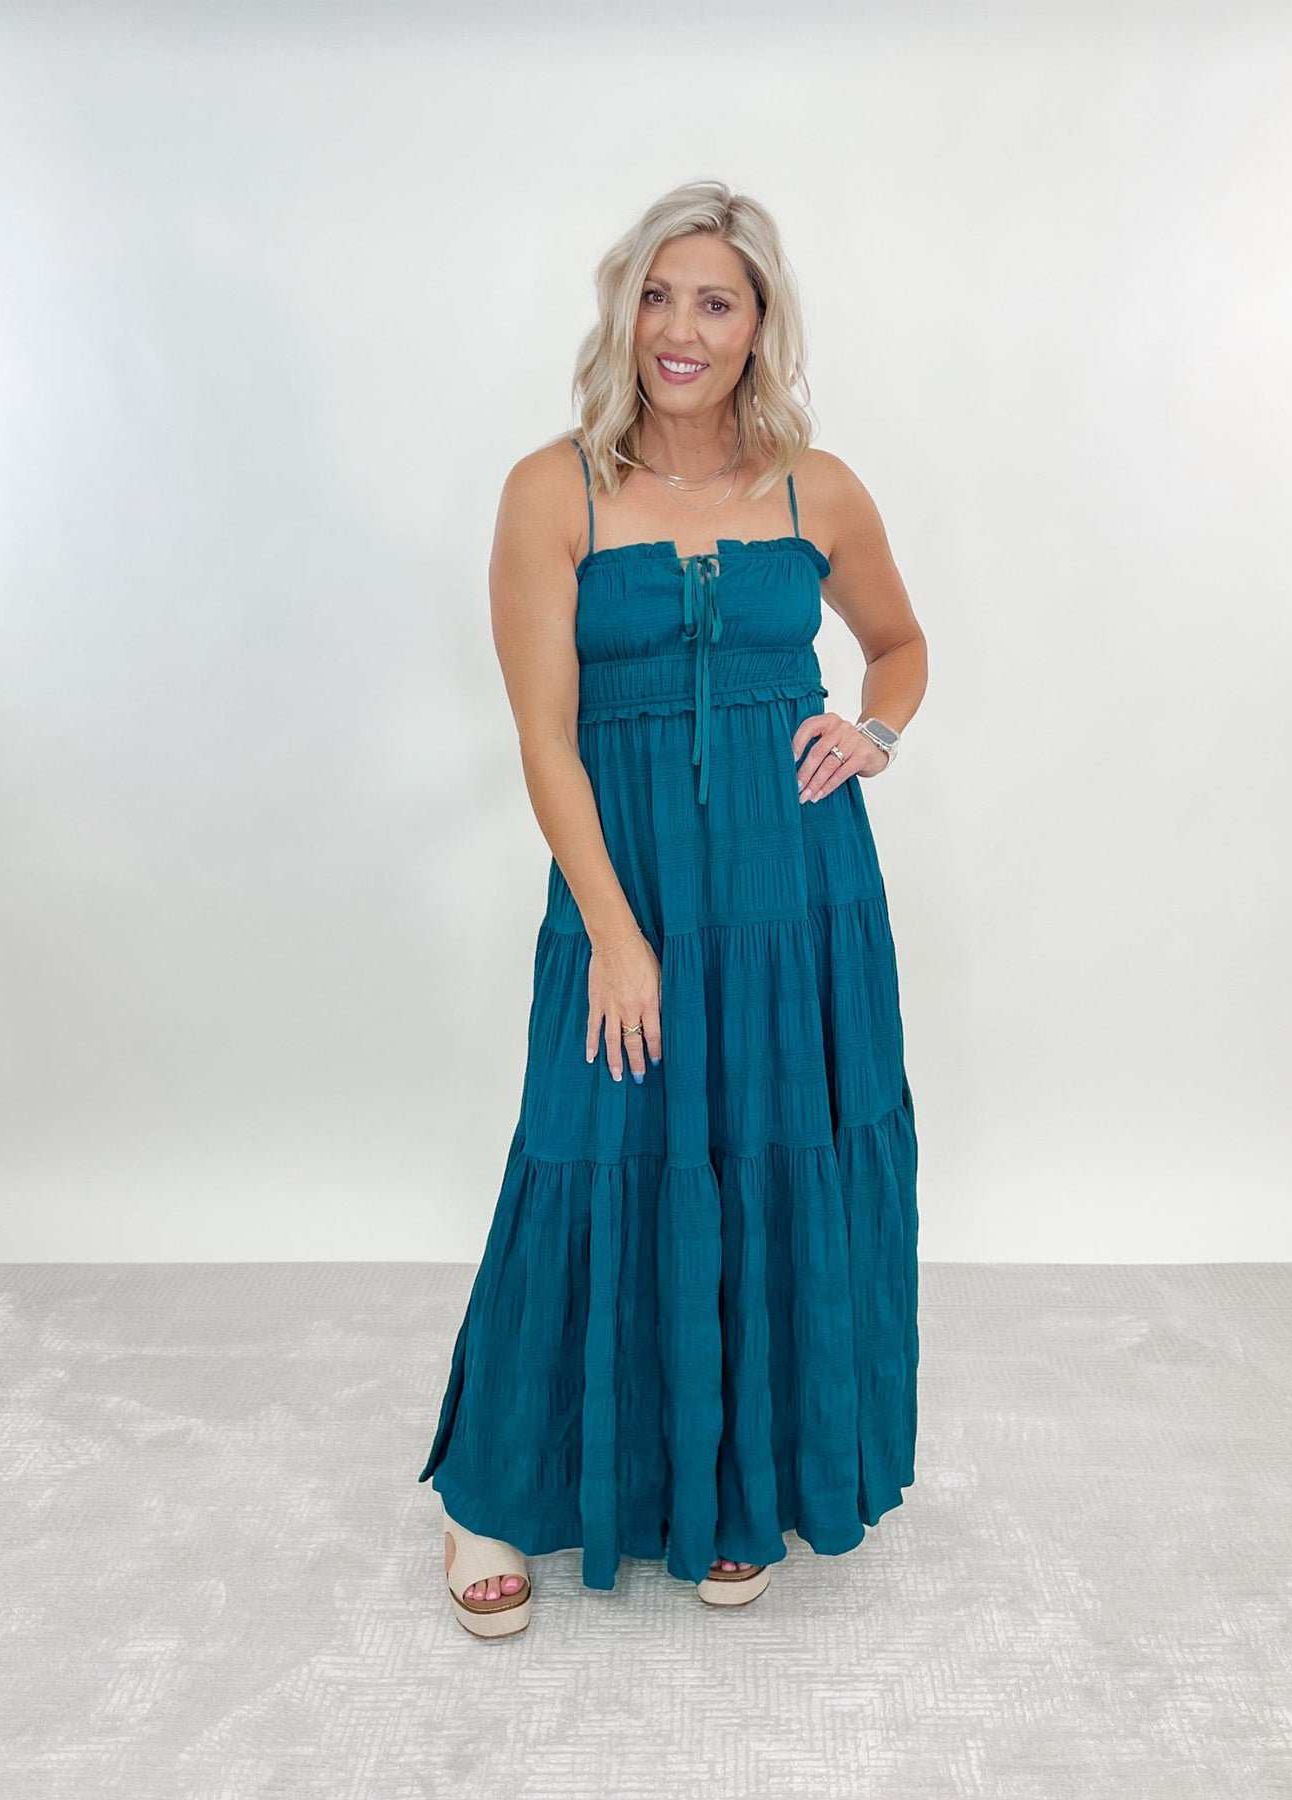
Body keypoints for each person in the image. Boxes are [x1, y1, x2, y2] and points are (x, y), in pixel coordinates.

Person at [418, 179, 926, 1639]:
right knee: (584, 1156)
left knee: (768, 1166)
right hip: (625, 893)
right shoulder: (552, 490)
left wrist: (874, 732)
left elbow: (898, 645)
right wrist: (614, 933)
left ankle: (731, 1486)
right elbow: (544, 738)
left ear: (760, 324)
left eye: (713, 300)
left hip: (799, 901)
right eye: (655, 296)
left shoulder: (819, 490)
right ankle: (491, 1495)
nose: (679, 329)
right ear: (621, 311)